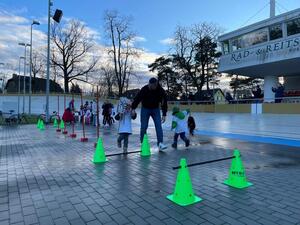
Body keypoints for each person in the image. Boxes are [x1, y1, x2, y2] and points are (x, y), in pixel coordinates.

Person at [131, 77, 168, 151]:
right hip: (145, 109)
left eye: (155, 86)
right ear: (149, 84)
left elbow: (164, 102)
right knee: (144, 126)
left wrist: (164, 114)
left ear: (156, 84)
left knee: (158, 126)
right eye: (152, 86)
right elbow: (137, 99)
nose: (153, 87)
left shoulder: (160, 90)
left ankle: (160, 143)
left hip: (155, 109)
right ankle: (143, 142)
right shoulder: (144, 89)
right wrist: (133, 108)